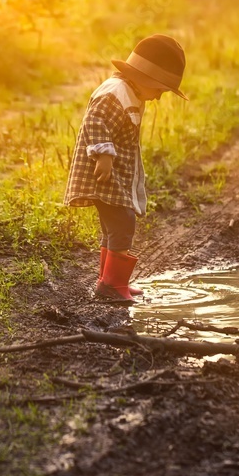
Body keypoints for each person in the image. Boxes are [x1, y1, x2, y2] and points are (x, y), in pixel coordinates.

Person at [63, 34, 188, 303]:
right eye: (160, 90)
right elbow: (95, 121)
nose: (158, 98)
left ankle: (109, 281)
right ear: (146, 79)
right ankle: (112, 286)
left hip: (113, 174)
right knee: (123, 223)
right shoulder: (115, 92)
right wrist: (104, 155)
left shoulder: (131, 91)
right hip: (104, 172)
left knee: (114, 227)